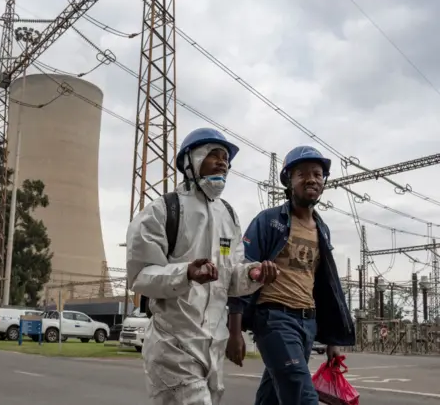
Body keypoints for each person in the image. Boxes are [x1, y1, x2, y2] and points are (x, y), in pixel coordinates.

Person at [126, 127, 279, 405]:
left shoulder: (228, 215)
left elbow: (231, 279)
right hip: (173, 344)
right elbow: (140, 276)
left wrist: (254, 275)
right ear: (190, 162)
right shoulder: (164, 210)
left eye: (226, 158)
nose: (223, 162)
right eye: (214, 155)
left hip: (213, 347)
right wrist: (186, 273)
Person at [226, 145, 355, 405]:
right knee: (301, 394)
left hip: (308, 323)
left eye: (317, 174)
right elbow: (240, 272)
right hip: (274, 319)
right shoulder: (269, 221)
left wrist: (331, 339)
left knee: (272, 396)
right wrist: (234, 332)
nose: (311, 179)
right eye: (302, 174)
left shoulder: (323, 230)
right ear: (288, 180)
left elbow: (325, 287)